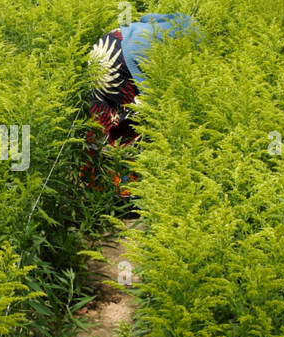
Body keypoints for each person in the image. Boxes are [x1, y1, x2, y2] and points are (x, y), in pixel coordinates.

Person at [84, 13, 199, 200]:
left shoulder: (183, 21)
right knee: (134, 123)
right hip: (122, 60)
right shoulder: (196, 43)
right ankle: (128, 193)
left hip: (108, 42)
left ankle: (93, 183)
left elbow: (147, 18)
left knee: (103, 115)